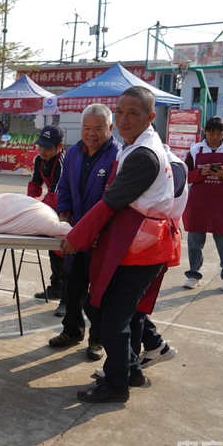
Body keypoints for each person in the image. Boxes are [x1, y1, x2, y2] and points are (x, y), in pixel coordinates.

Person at [63, 86, 180, 403]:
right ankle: (130, 370)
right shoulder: (133, 146)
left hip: (143, 247)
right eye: (121, 111)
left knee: (114, 320)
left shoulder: (144, 155)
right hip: (129, 243)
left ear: (150, 117)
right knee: (99, 307)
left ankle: (117, 386)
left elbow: (111, 201)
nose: (124, 119)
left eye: (133, 113)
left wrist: (76, 237)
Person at [49, 104, 120, 361]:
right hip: (75, 232)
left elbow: (111, 201)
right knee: (72, 285)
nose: (91, 133)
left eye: (98, 128)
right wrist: (64, 213)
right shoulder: (73, 153)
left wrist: (91, 231)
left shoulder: (117, 156)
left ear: (110, 128)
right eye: (86, 128)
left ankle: (96, 339)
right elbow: (64, 187)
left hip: (101, 237)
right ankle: (72, 331)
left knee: (98, 292)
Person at [182, 116, 223, 292]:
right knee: (195, 242)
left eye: (218, 133)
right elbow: (185, 174)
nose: (215, 137)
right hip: (199, 203)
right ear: (205, 131)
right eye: (211, 133)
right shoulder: (195, 149)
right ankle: (193, 275)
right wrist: (200, 173)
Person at [27, 125, 66, 316]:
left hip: (67, 207)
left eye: (47, 148)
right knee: (52, 249)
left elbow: (56, 193)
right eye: (40, 146)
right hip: (51, 206)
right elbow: (35, 184)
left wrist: (39, 211)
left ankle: (69, 297)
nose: (42, 151)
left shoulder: (63, 163)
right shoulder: (39, 160)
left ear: (60, 146)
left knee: (65, 252)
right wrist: (28, 205)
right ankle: (56, 286)